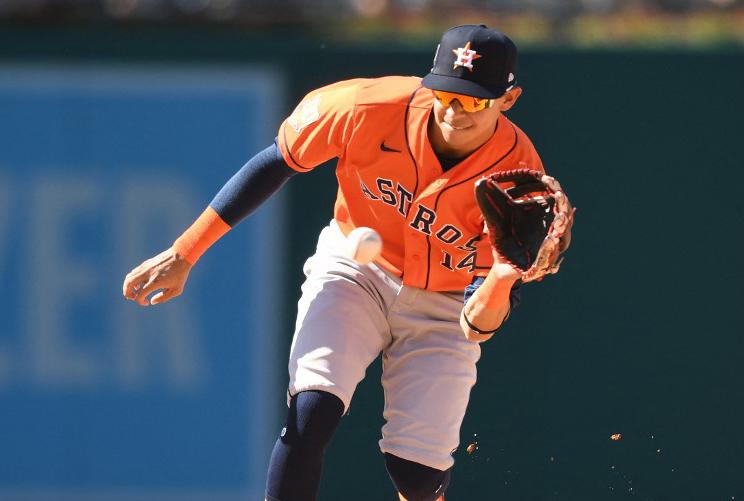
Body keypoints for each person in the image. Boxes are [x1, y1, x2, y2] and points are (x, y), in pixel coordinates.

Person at [122, 24, 564, 501]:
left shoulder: (517, 176)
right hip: (354, 272)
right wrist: (184, 253)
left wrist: (502, 274)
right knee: (311, 412)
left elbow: (478, 327)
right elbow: (277, 162)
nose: (454, 111)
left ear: (508, 98)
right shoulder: (364, 107)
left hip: (445, 303)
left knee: (416, 475)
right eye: (445, 94)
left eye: (474, 100)